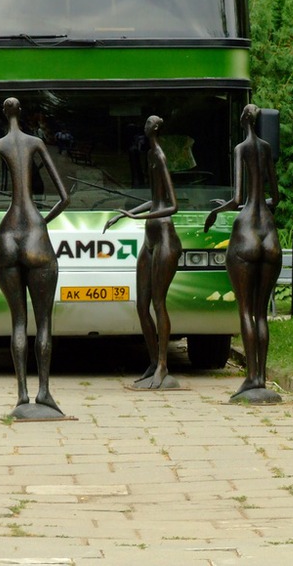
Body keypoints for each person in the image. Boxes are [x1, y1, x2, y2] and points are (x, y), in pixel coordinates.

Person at [0, 97, 70, 417]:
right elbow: (64, 196)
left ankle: (21, 395)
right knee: (43, 322)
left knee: (18, 321)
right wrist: (42, 223)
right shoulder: (35, 143)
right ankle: (44, 392)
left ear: (5, 114)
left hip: (7, 234)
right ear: (23, 112)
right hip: (34, 231)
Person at [203, 104, 283, 403]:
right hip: (269, 233)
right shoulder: (265, 148)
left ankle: (250, 378)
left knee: (246, 311)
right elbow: (276, 196)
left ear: (243, 121)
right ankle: (262, 376)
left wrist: (216, 210)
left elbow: (238, 197)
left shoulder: (241, 148)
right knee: (262, 313)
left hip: (247, 229)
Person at [105, 115, 182, 389]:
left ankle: (163, 364)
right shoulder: (149, 153)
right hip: (150, 239)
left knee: (158, 303)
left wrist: (138, 219)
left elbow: (172, 204)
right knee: (141, 305)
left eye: (149, 123)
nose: (145, 126)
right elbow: (155, 197)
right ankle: (153, 361)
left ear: (156, 128)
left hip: (165, 238)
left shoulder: (159, 155)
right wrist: (125, 215)